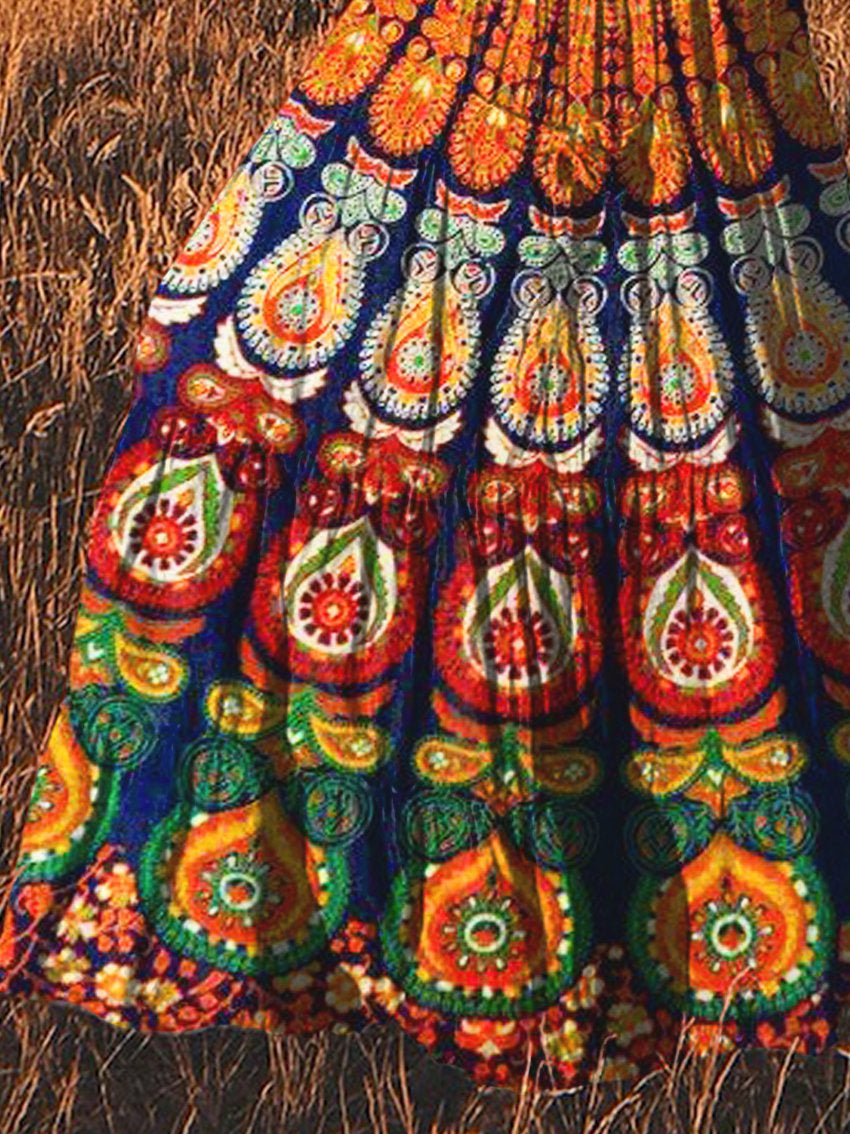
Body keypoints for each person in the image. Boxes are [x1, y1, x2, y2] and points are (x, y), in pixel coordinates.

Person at [2, 0, 850, 1091]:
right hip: (484, 71)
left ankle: (662, 931)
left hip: (697, 81)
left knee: (699, 432)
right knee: (252, 367)